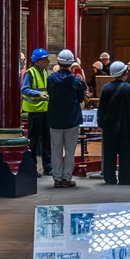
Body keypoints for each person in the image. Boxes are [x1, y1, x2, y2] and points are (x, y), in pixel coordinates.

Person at [45, 49, 86, 188]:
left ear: (58, 62)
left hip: (54, 118)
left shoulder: (51, 79)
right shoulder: (76, 81)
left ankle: (57, 178)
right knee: (70, 151)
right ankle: (67, 178)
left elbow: (50, 93)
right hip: (72, 119)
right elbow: (80, 98)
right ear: (71, 64)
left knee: (55, 150)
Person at [97, 59, 130, 185]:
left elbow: (101, 108)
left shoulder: (105, 88)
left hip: (109, 126)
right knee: (125, 154)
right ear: (124, 73)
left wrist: (100, 124)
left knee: (109, 153)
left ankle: (109, 178)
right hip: (126, 125)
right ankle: (125, 179)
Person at [20, 48, 51, 179]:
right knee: (33, 141)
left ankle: (48, 167)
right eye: (45, 59)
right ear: (38, 61)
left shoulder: (44, 72)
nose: (48, 61)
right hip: (34, 112)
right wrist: (38, 93)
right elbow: (24, 89)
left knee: (46, 141)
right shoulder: (30, 73)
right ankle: (32, 168)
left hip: (45, 110)